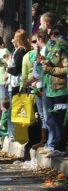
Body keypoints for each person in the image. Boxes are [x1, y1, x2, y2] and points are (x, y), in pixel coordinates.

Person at [39, 24, 67, 158]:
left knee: (59, 119)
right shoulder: (50, 49)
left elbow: (66, 69)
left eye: (56, 34)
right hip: (49, 88)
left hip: (61, 90)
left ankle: (60, 147)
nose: (53, 37)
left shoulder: (64, 49)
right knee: (51, 119)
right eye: (51, 34)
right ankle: (53, 145)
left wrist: (50, 69)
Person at [23, 30, 49, 151]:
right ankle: (43, 139)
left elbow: (39, 72)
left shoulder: (44, 52)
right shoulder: (40, 52)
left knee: (44, 114)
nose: (35, 44)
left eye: (35, 41)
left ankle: (45, 140)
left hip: (40, 86)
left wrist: (29, 81)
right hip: (37, 86)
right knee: (41, 114)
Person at [6, 30, 30, 137]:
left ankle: (12, 133)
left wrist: (8, 69)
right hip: (16, 82)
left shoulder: (20, 52)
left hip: (17, 82)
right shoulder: (21, 50)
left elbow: (16, 69)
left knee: (13, 107)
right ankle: (12, 132)